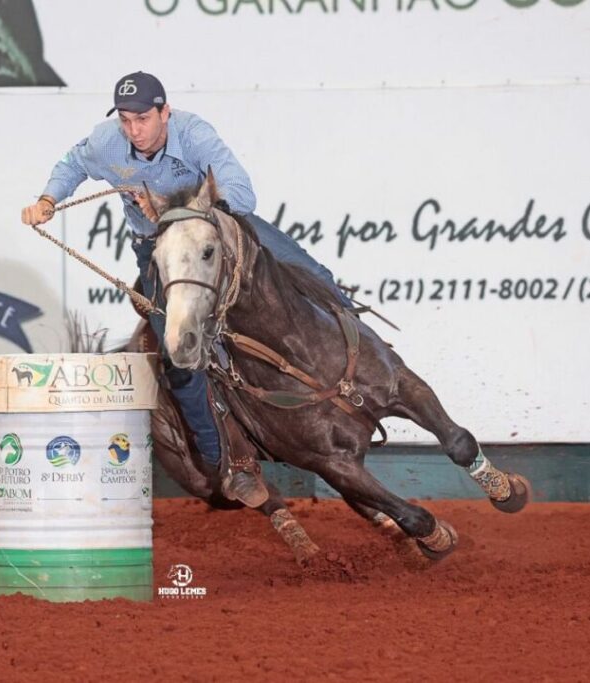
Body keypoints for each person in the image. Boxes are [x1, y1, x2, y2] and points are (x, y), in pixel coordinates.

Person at [22, 71, 349, 507]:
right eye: (125, 120)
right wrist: (48, 199)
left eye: (141, 119)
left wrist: (194, 216)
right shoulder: (107, 142)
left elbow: (240, 190)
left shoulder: (193, 135)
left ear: (164, 112)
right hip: (158, 248)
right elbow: (73, 164)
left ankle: (364, 372)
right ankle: (227, 462)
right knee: (180, 352)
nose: (133, 130)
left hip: (220, 232)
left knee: (316, 277)